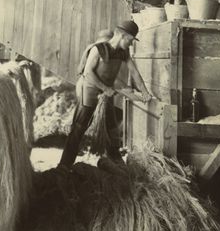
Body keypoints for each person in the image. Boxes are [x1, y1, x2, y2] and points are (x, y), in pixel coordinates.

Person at [59, 20, 152, 168]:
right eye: (130, 40)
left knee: (111, 126)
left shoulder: (123, 52)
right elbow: (88, 73)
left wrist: (145, 91)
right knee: (79, 126)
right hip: (89, 89)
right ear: (122, 35)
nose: (131, 44)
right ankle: (64, 165)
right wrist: (105, 88)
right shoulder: (98, 49)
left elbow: (134, 72)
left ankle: (115, 158)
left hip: (105, 91)